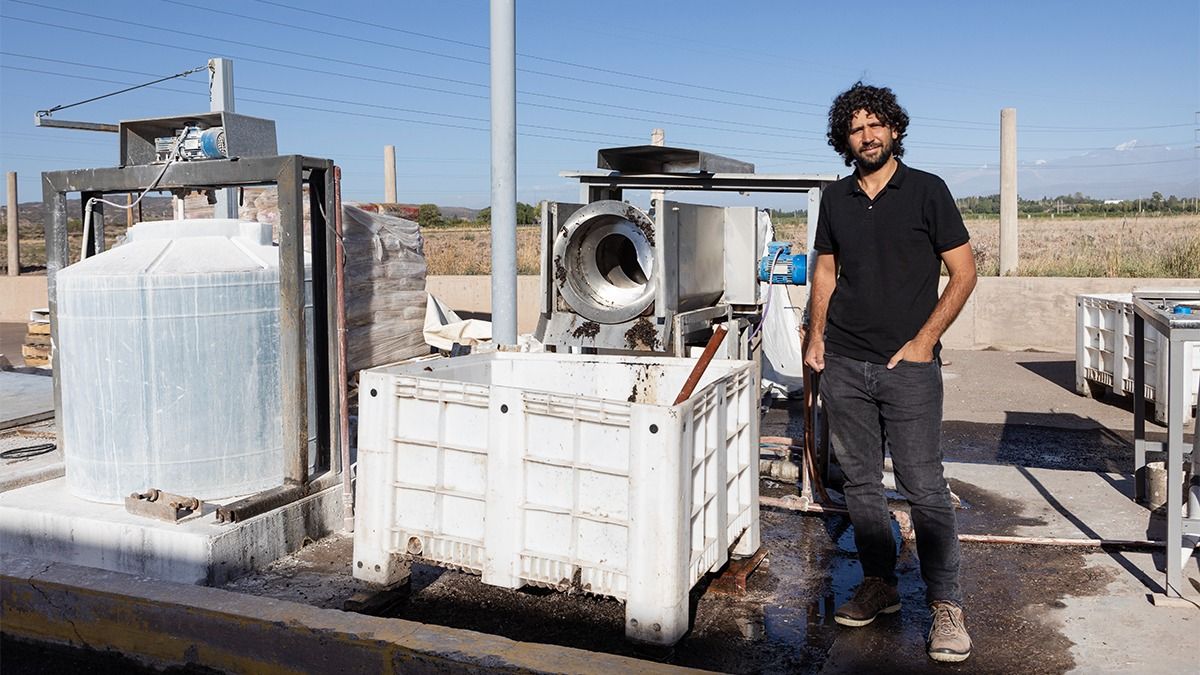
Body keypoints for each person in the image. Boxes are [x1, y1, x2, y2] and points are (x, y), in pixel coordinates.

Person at [803, 81, 977, 663]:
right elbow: (824, 273)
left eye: (877, 124)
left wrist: (926, 341)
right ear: (844, 140)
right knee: (859, 483)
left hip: (907, 367)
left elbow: (964, 272)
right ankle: (880, 583)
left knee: (924, 487)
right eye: (856, 128)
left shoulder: (927, 191)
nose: (868, 135)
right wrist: (815, 335)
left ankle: (946, 606)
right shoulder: (835, 198)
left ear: (895, 130)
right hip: (845, 363)